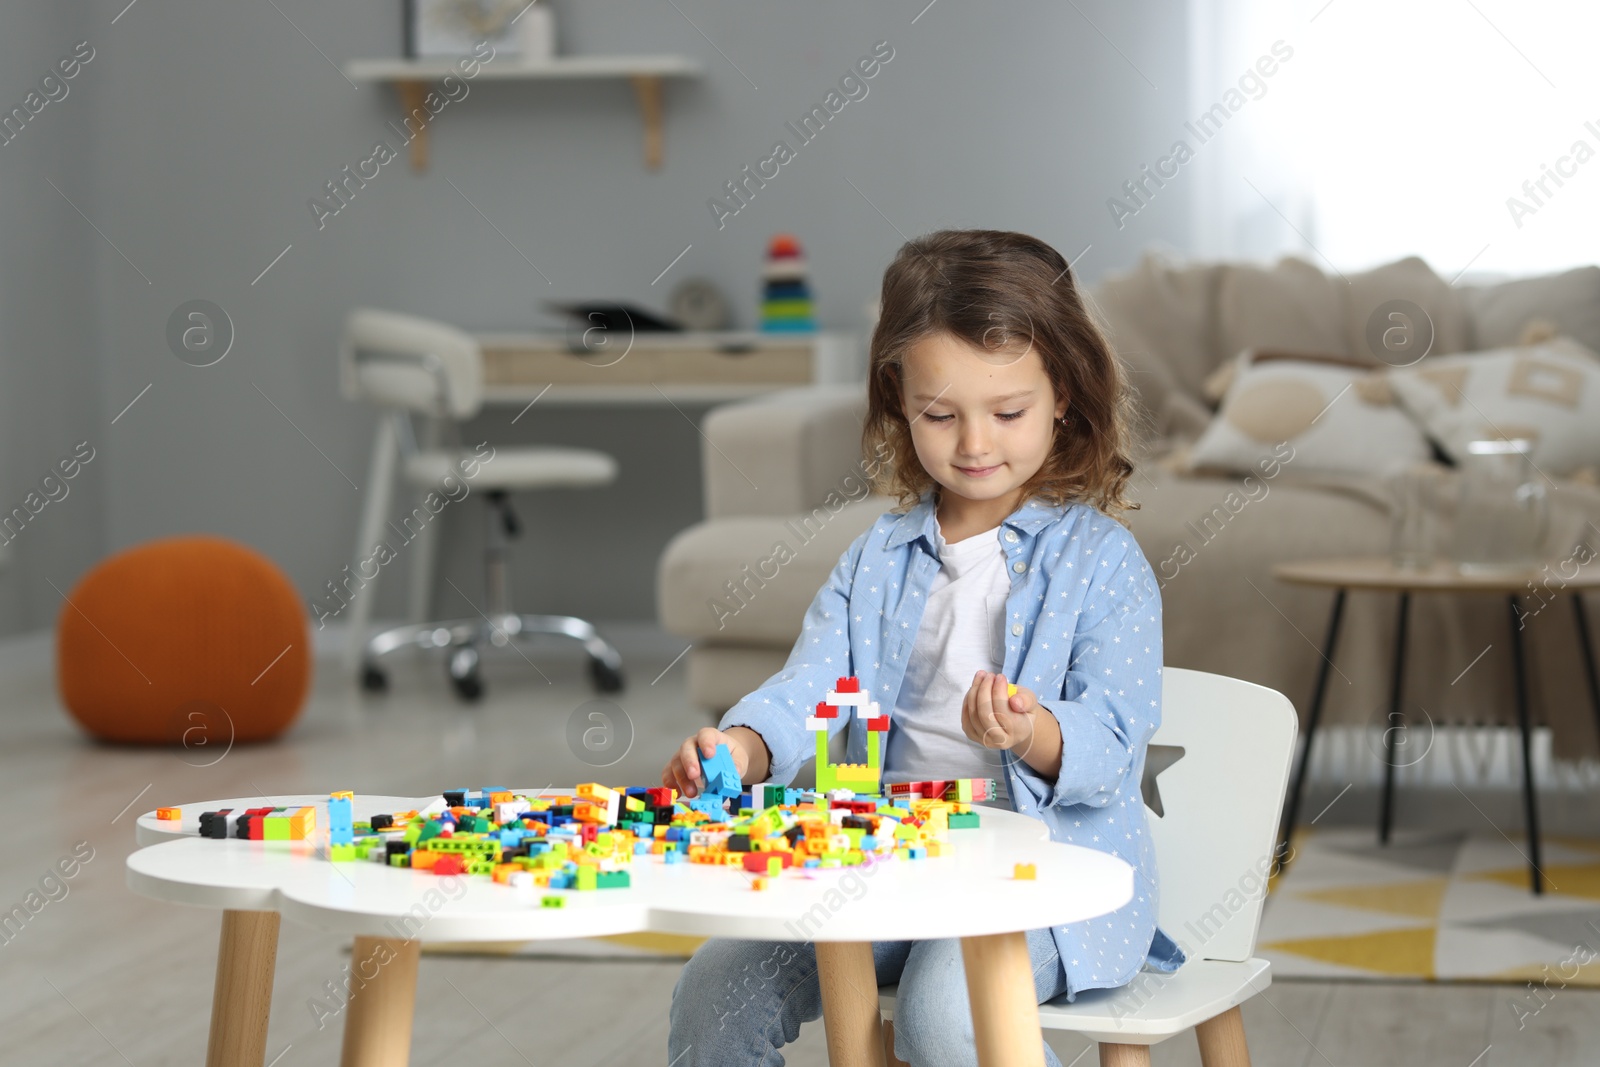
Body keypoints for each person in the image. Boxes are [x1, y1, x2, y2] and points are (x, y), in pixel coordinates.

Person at [661, 229, 1184, 1066]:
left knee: (949, 1014)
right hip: (883, 859)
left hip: (1039, 869)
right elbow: (815, 687)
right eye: (941, 415)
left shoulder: (1101, 562)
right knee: (717, 988)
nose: (974, 444)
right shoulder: (879, 556)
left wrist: (1030, 729)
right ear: (899, 404)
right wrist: (746, 745)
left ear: (1064, 398)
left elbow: (1114, 738)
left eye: (1007, 412)